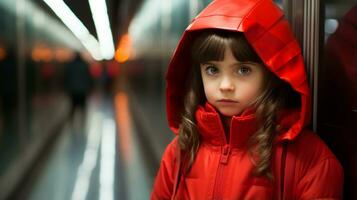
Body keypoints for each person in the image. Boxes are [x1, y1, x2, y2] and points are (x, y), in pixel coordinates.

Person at [151, 0, 343, 199]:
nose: (225, 85)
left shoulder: (311, 161)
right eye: (212, 70)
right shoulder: (181, 151)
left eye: (243, 70)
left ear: (272, 73)